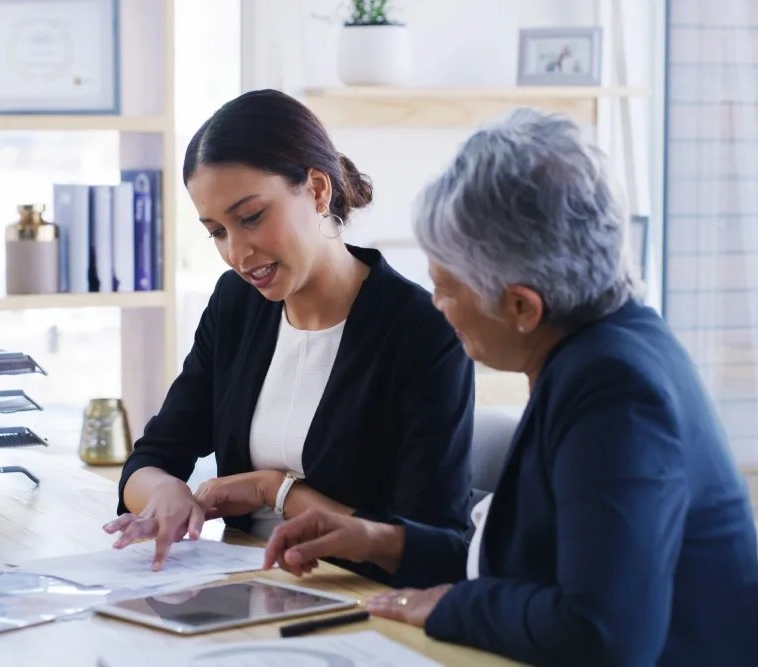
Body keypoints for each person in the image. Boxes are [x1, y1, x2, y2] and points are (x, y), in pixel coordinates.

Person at [263, 108, 758, 666]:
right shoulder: (609, 346)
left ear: (522, 306)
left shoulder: (615, 392)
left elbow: (602, 634)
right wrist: (379, 540)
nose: (437, 306)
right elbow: (534, 567)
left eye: (446, 288)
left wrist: (450, 606)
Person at [104, 89, 475, 576]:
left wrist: (276, 490)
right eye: (217, 232)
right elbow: (153, 456)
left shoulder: (423, 330)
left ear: (317, 190)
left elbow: (437, 548)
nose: (237, 254)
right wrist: (164, 491)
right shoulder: (235, 305)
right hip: (243, 585)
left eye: (251, 217)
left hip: (356, 598)